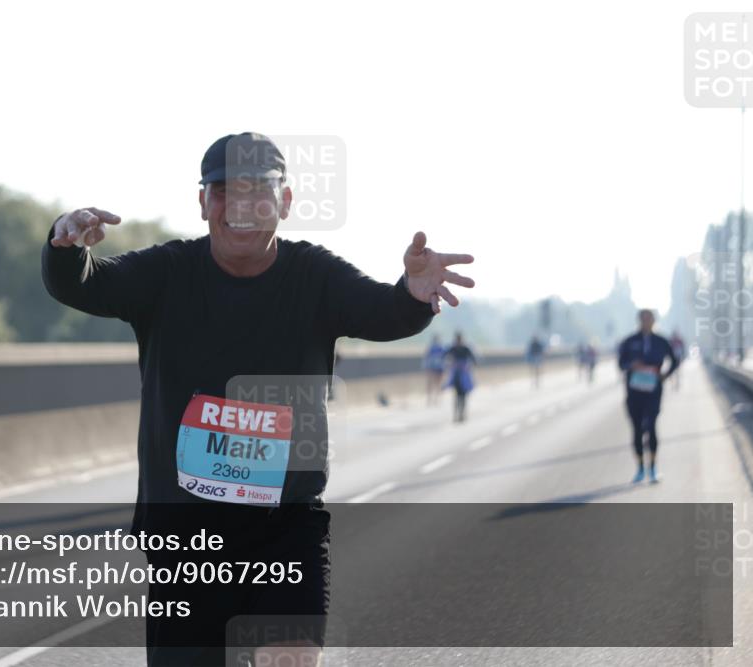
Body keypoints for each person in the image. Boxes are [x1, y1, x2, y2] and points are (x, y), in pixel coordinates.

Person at [41, 132, 475, 666]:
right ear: (202, 202)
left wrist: (412, 292)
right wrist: (64, 247)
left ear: (286, 201)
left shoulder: (313, 275)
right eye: (224, 191)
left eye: (258, 191)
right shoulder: (167, 273)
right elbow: (83, 284)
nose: (241, 207)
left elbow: (381, 311)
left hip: (285, 528)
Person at [617, 309, 680, 484]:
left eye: (649, 319)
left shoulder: (661, 341)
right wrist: (631, 365)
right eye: (643, 319)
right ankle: (639, 468)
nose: (646, 322)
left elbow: (675, 360)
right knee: (637, 429)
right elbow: (620, 363)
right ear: (639, 321)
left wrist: (665, 375)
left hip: (653, 391)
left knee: (651, 426)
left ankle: (652, 467)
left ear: (654, 321)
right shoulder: (630, 341)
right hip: (634, 392)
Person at [445, 332, 476, 422]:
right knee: (458, 396)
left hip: (463, 375)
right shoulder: (454, 348)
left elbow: (473, 360)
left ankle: (461, 414)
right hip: (457, 375)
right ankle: (458, 414)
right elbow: (445, 356)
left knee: (462, 396)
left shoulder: (465, 348)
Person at [424, 335, 447, 405]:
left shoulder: (436, 347)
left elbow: (427, 357)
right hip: (435, 368)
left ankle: (434, 399)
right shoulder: (439, 347)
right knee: (436, 384)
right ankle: (434, 399)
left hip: (436, 368)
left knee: (433, 384)